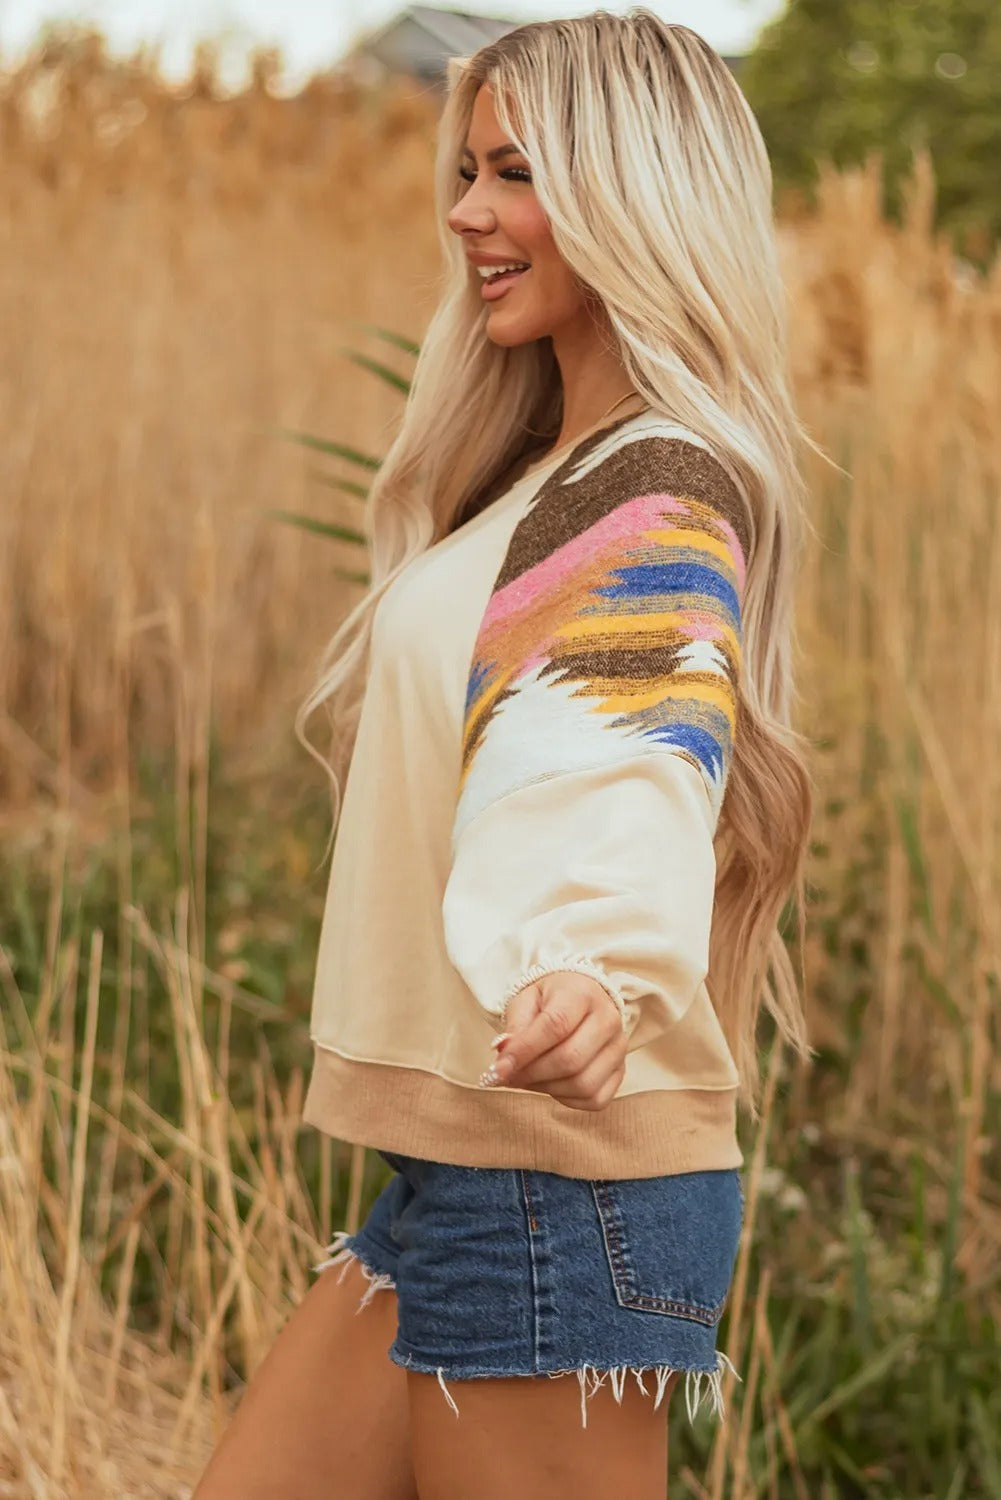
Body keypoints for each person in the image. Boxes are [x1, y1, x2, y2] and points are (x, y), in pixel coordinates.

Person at [193, 10, 815, 1499]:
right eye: (468, 170)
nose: (467, 210)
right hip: (465, 1162)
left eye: (516, 173)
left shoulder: (648, 483)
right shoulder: (553, 473)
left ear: (632, 193)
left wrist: (589, 968)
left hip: (555, 1177)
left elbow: (619, 747)